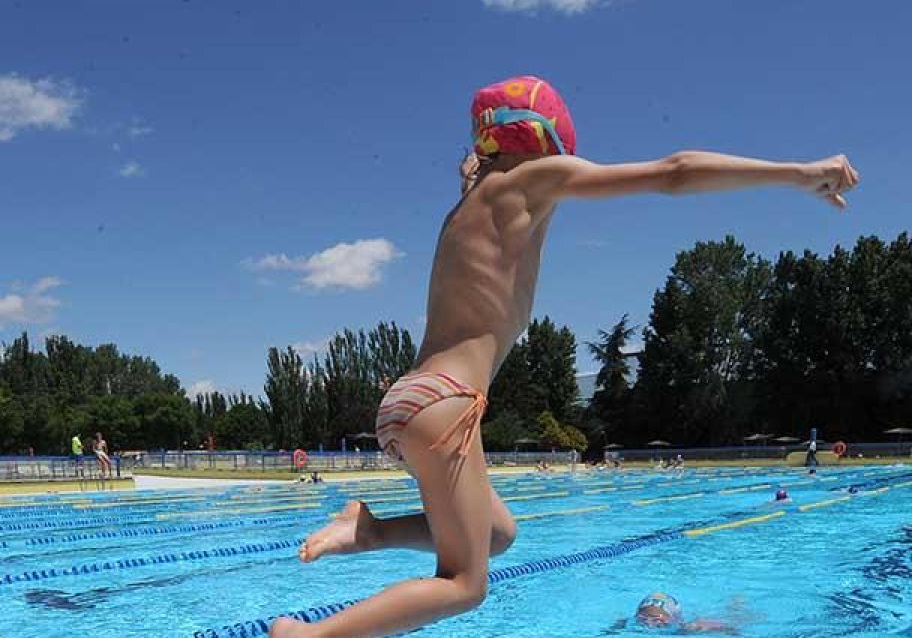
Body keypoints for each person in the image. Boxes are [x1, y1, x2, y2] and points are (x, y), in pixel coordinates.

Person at [270, 74, 858, 638]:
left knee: (499, 533)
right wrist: (799, 173)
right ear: (550, 135)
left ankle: (370, 530)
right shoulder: (533, 179)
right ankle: (311, 636)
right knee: (464, 584)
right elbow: (673, 173)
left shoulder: (475, 201)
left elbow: (476, 175)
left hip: (414, 400)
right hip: (446, 402)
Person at [604, 592, 741, 634]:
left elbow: (730, 628)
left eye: (657, 618)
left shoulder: (687, 628)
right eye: (643, 616)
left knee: (736, 616)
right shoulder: (625, 623)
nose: (649, 622)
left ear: (674, 619)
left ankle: (736, 605)